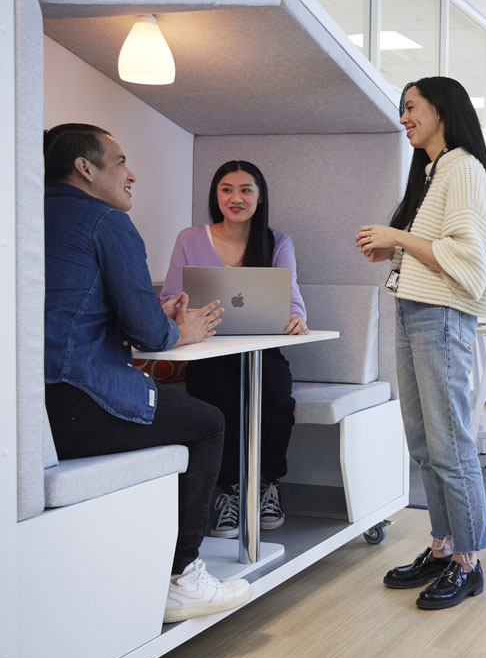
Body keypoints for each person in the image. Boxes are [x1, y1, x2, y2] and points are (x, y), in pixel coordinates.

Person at [43, 123, 251, 623]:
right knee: (209, 422)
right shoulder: (106, 222)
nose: (131, 174)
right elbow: (149, 335)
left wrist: (159, 318)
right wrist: (182, 329)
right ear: (85, 168)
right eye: (119, 163)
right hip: (79, 402)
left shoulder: (28, 208)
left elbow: (78, 305)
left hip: (34, 403)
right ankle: (182, 576)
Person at [356, 76, 486, 610]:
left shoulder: (460, 168)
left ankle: (468, 561)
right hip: (416, 310)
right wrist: (396, 250)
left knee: (449, 443)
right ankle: (443, 547)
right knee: (423, 441)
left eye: (411, 107)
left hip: (441, 316)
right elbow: (438, 250)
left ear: (441, 110)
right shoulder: (434, 172)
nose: (403, 118)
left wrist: (397, 237)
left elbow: (470, 259)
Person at [161, 160, 308, 538]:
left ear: (260, 198)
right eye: (226, 189)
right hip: (206, 349)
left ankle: (266, 484)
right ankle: (229, 491)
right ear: (216, 195)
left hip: (261, 350)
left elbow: (291, 300)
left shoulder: (277, 242)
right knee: (218, 402)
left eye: (246, 190)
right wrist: (180, 311)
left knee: (277, 400)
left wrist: (295, 319)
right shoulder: (190, 238)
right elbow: (167, 298)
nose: (235, 198)